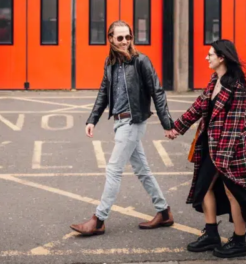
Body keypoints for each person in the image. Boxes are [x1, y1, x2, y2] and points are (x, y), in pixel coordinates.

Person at [70, 20, 177, 236]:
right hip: (119, 122)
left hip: (133, 122)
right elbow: (103, 92)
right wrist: (92, 119)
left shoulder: (141, 61)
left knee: (113, 170)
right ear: (110, 39)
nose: (125, 42)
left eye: (128, 37)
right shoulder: (109, 63)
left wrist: (168, 124)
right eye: (120, 38)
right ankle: (164, 212)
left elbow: (157, 91)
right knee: (142, 170)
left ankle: (99, 220)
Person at [166, 39, 246, 258]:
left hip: (232, 152)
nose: (207, 57)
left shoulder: (238, 86)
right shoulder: (216, 80)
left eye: (210, 54)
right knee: (205, 188)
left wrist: (221, 162)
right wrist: (177, 128)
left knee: (234, 194)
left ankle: (239, 242)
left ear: (221, 57)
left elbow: (233, 129)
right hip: (212, 146)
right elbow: (198, 106)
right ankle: (211, 233)